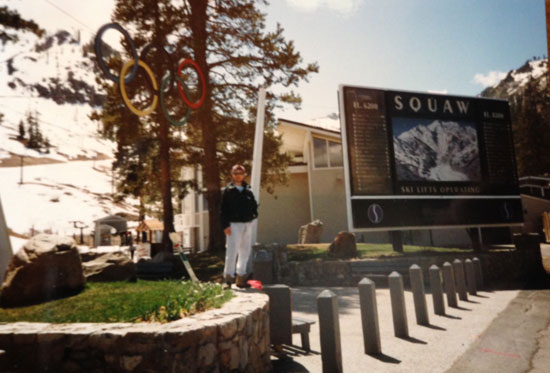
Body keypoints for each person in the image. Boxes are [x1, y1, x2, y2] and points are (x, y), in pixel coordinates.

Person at [221, 164, 258, 288]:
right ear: (232, 175)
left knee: (245, 250)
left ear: (244, 174)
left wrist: (253, 216)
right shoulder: (228, 190)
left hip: (247, 224)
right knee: (232, 251)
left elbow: (254, 205)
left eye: (240, 173)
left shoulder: (248, 190)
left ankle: (241, 277)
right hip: (233, 224)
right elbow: (223, 209)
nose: (238, 175)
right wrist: (225, 225)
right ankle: (228, 278)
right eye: (235, 173)